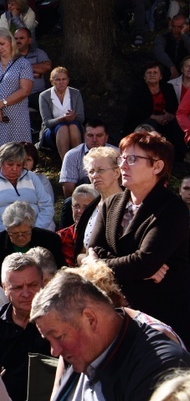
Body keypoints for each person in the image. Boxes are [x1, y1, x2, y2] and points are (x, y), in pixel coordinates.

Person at [87, 132, 190, 343]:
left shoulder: (172, 209)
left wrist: (99, 265)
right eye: (121, 158)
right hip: (115, 315)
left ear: (157, 167)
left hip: (160, 320)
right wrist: (137, 268)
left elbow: (144, 262)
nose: (123, 165)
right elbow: (93, 249)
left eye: (132, 159)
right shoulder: (110, 204)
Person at [31, 270, 190, 401]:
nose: (55, 351)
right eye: (49, 340)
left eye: (58, 337)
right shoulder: (80, 351)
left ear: (90, 319)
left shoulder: (160, 365)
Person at [0, 253, 49, 401]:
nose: (26, 293)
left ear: (43, 283)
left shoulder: (60, 319)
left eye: (32, 285)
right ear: (4, 288)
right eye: (17, 287)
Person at [0, 142, 54, 243]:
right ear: (0, 162)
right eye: (10, 164)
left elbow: (47, 206)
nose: (15, 169)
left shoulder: (32, 177)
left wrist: (33, 231)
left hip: (34, 232)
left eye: (19, 165)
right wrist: (11, 234)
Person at [0, 29, 34, 155]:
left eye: (2, 43)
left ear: (11, 42)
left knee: (17, 155)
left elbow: (25, 90)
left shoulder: (23, 64)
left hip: (16, 117)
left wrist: (2, 103)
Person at [0, 200, 62, 285]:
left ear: (31, 227)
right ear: (7, 230)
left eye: (25, 233)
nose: (20, 237)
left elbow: (59, 272)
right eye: (15, 233)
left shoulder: (50, 240)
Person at [124, 62, 185, 161]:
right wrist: (155, 118)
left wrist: (169, 116)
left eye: (155, 72)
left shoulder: (168, 88)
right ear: (144, 77)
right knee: (150, 125)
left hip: (166, 118)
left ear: (160, 76)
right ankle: (150, 157)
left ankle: (178, 157)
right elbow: (134, 110)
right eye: (149, 73)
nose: (152, 75)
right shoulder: (138, 89)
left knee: (177, 125)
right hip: (144, 119)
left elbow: (175, 106)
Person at [39, 66, 85, 158]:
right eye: (58, 80)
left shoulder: (75, 93)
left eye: (64, 79)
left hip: (74, 128)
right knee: (63, 127)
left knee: (72, 126)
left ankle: (79, 162)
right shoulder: (44, 96)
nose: (61, 82)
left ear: (68, 80)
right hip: (53, 131)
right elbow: (47, 122)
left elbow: (81, 118)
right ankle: (65, 164)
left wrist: (74, 116)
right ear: (52, 81)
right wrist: (61, 119)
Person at [57, 184, 100, 267]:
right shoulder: (61, 236)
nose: (80, 211)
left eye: (85, 207)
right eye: (76, 206)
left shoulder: (101, 235)